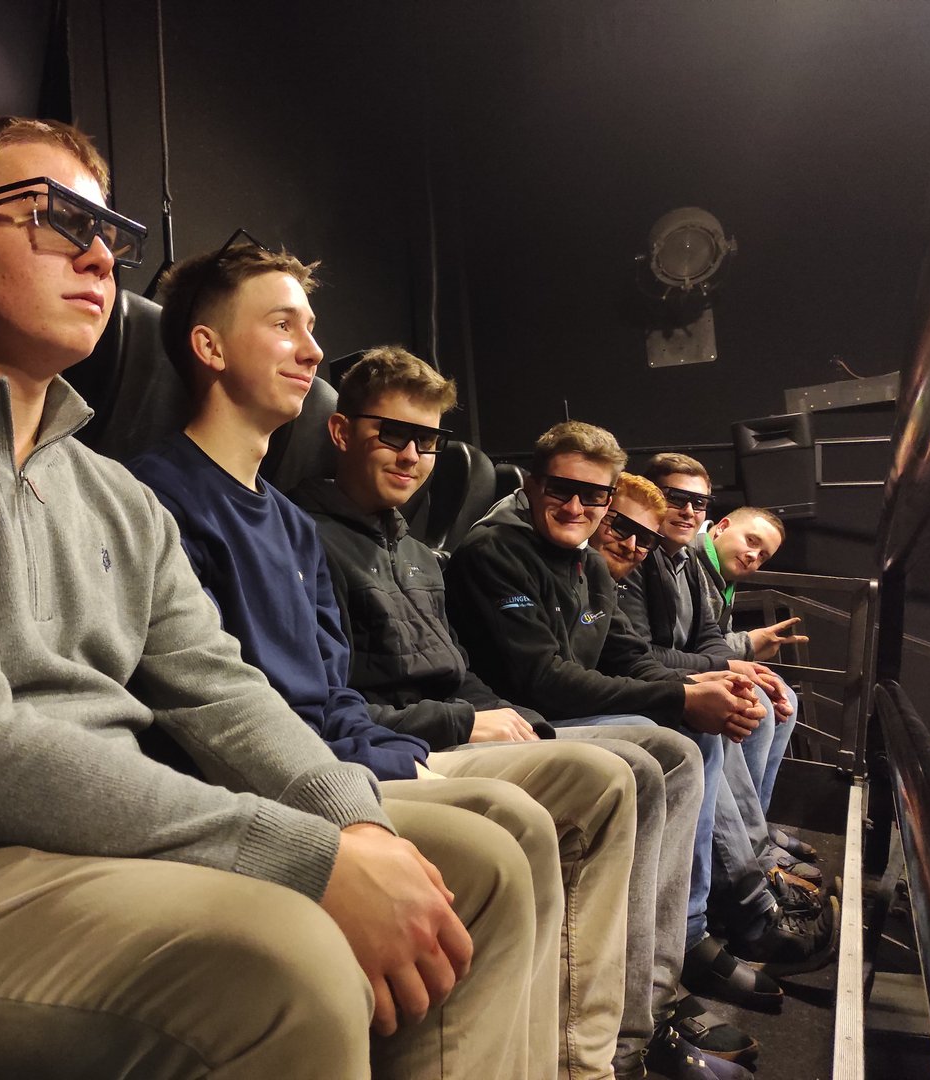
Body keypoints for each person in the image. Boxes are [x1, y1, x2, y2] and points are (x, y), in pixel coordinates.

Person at [0, 114, 543, 1080]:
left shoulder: (117, 492)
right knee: (279, 968)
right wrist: (303, 855)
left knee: (477, 868)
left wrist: (352, 820)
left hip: (96, 834)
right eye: (55, 219)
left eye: (107, 232)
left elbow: (222, 689)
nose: (97, 256)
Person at [129, 243, 638, 1080]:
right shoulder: (157, 496)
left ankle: (576, 1064)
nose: (311, 350)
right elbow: (219, 705)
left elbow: (332, 691)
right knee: (504, 836)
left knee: (592, 781)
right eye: (283, 325)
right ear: (209, 346)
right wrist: (416, 750)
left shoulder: (285, 522)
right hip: (270, 777)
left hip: (350, 751)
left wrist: (401, 749)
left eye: (311, 328)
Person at [293, 348, 756, 1080]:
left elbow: (481, 671)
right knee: (651, 752)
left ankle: (642, 1005)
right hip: (409, 742)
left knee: (677, 742)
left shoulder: (416, 550)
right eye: (394, 435)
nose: (411, 456)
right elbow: (343, 700)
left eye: (426, 441)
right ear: (342, 432)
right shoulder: (351, 540)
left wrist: (706, 678)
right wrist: (483, 718)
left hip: (487, 721)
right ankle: (616, 1036)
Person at [444, 420, 834, 1015]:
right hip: (521, 717)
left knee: (727, 711)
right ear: (533, 486)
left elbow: (630, 657)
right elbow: (543, 679)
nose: (580, 510)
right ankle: (699, 933)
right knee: (680, 741)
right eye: (563, 490)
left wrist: (707, 683)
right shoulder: (494, 552)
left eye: (594, 497)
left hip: (557, 709)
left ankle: (704, 920)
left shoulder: (591, 566)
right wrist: (682, 697)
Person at [630, 456, 822, 892]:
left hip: (671, 671)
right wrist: (737, 661)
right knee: (726, 714)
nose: (754, 556)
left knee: (773, 700)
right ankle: (742, 865)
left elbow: (709, 638)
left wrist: (738, 668)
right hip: (650, 680)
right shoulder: (651, 556)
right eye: (676, 499)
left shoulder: (688, 563)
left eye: (697, 502)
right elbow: (641, 653)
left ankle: (753, 833)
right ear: (719, 528)